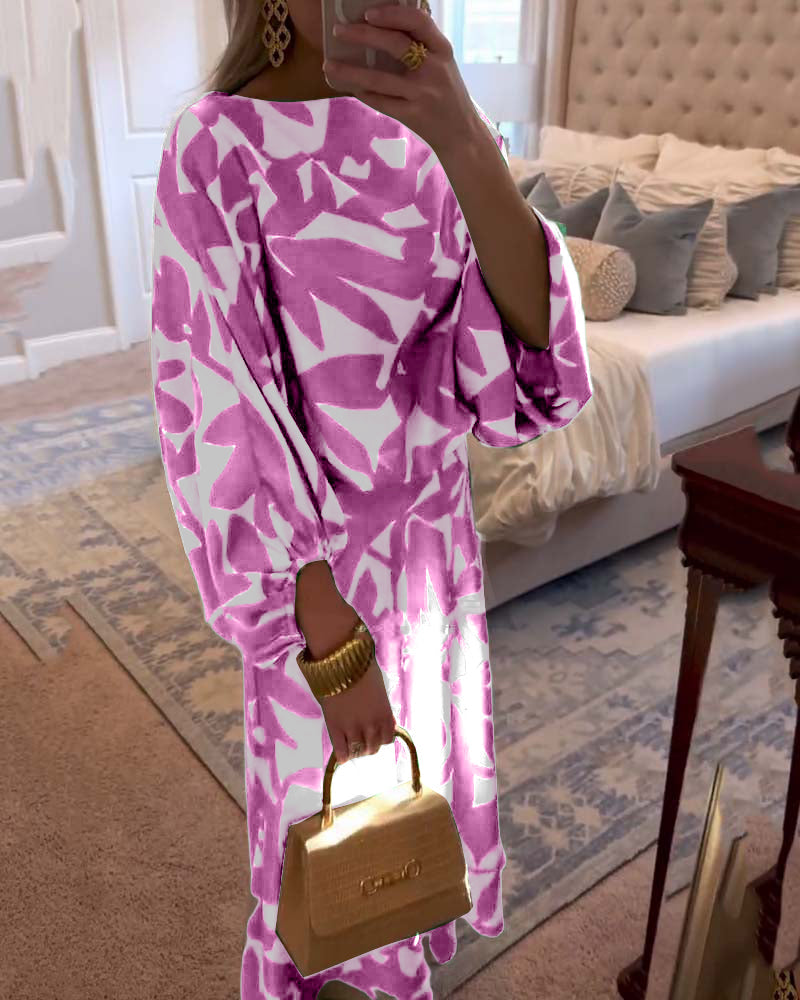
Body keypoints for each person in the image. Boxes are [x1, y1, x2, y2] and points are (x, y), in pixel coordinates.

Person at [149, 1, 592, 997]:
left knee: (407, 841)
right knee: (322, 859)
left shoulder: (434, 130)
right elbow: (217, 406)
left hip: (434, 562)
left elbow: (526, 370)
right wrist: (330, 643)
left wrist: (465, 135)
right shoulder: (215, 146)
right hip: (318, 587)